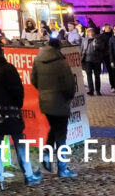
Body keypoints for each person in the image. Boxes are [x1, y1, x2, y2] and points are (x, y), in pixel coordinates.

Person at [0, 43, 42, 190]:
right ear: (1, 53)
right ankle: (29, 175)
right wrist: (17, 105)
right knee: (20, 145)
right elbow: (18, 90)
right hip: (11, 112)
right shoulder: (8, 68)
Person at [31, 34, 77, 177]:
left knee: (54, 129)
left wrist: (44, 92)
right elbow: (70, 85)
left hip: (45, 102)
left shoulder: (38, 59)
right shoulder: (61, 63)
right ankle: (62, 168)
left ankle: (46, 154)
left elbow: (33, 80)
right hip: (60, 103)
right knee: (61, 137)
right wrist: (68, 98)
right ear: (58, 48)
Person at [80, 27, 105, 96]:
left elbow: (102, 48)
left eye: (91, 32)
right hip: (87, 60)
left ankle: (98, 90)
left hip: (96, 60)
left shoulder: (98, 39)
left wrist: (96, 45)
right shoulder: (85, 40)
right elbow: (82, 49)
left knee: (97, 76)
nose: (90, 33)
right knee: (89, 75)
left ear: (94, 33)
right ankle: (91, 90)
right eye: (89, 32)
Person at [101, 24, 115, 92]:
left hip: (114, 55)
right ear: (105, 28)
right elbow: (102, 46)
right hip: (106, 56)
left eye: (110, 28)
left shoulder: (112, 35)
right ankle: (112, 86)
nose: (110, 29)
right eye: (109, 28)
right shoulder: (102, 36)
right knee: (110, 72)